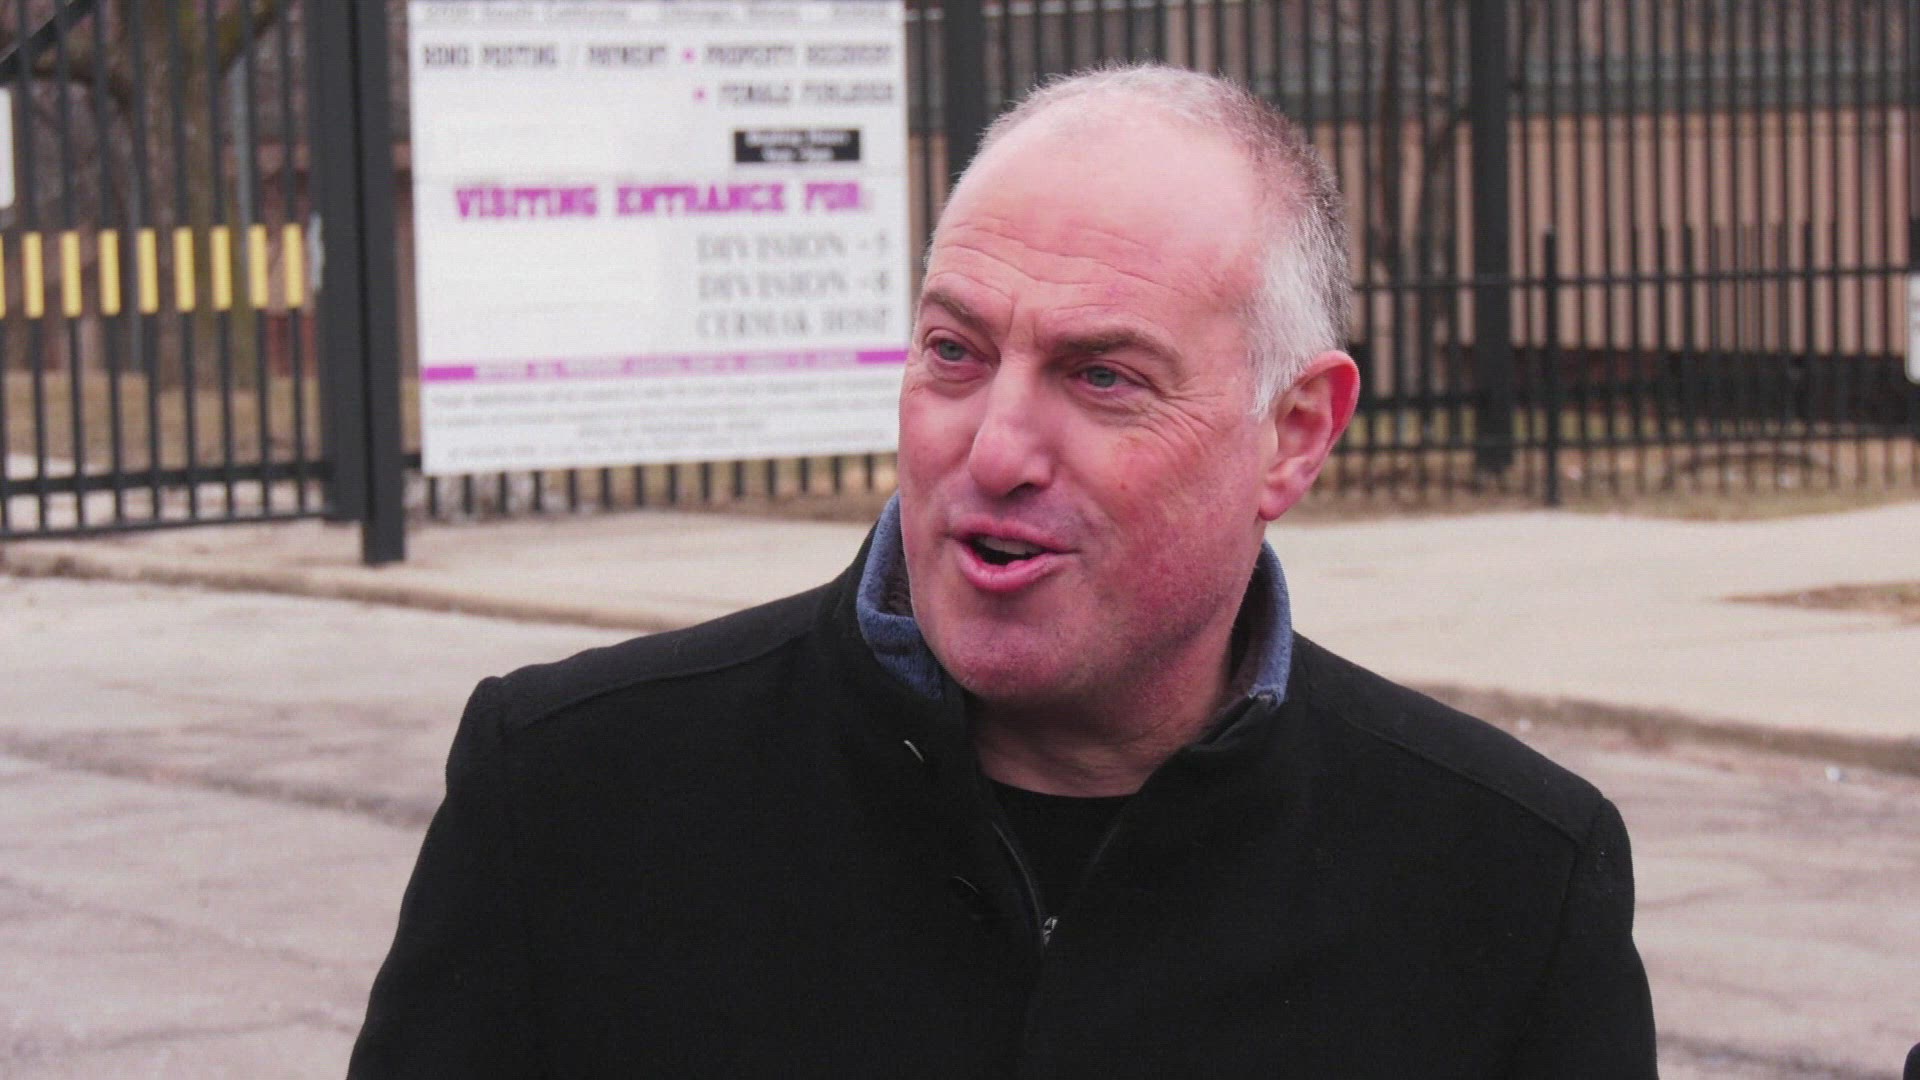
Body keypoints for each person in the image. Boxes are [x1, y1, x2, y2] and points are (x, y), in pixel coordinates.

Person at [350, 65, 1656, 1077]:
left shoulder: (1508, 884)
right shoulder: (571, 795)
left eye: (1104, 376)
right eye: (955, 353)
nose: (995, 448)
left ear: (1294, 433)